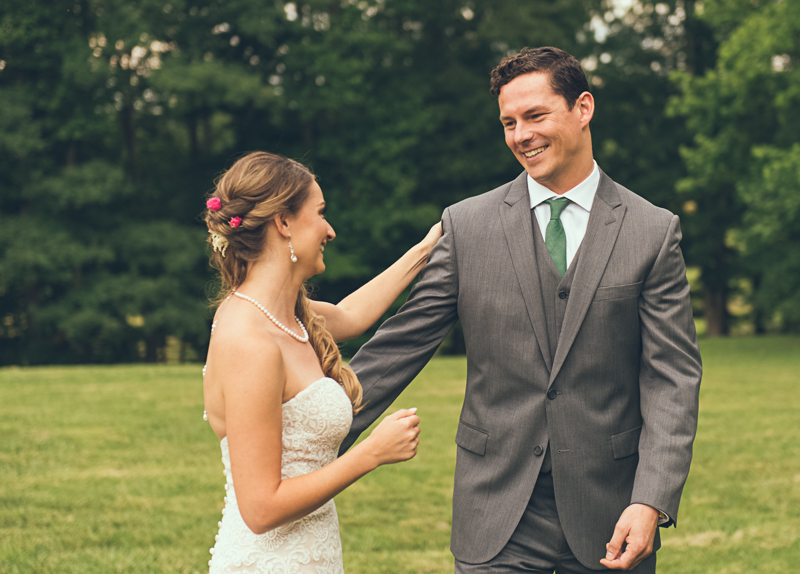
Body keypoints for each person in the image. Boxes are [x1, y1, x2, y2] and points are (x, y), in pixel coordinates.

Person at [340, 47, 702, 573]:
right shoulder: (467, 227)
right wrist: (314, 433)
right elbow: (401, 345)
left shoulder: (652, 231)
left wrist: (651, 499)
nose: (520, 135)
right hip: (496, 510)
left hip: (612, 512)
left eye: (535, 116)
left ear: (583, 108)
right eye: (509, 122)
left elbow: (672, 377)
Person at [201, 151, 441, 573]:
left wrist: (429, 247)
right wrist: (370, 454)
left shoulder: (289, 315)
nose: (330, 229)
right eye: (321, 213)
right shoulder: (249, 341)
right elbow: (260, 508)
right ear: (284, 222)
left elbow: (353, 315)